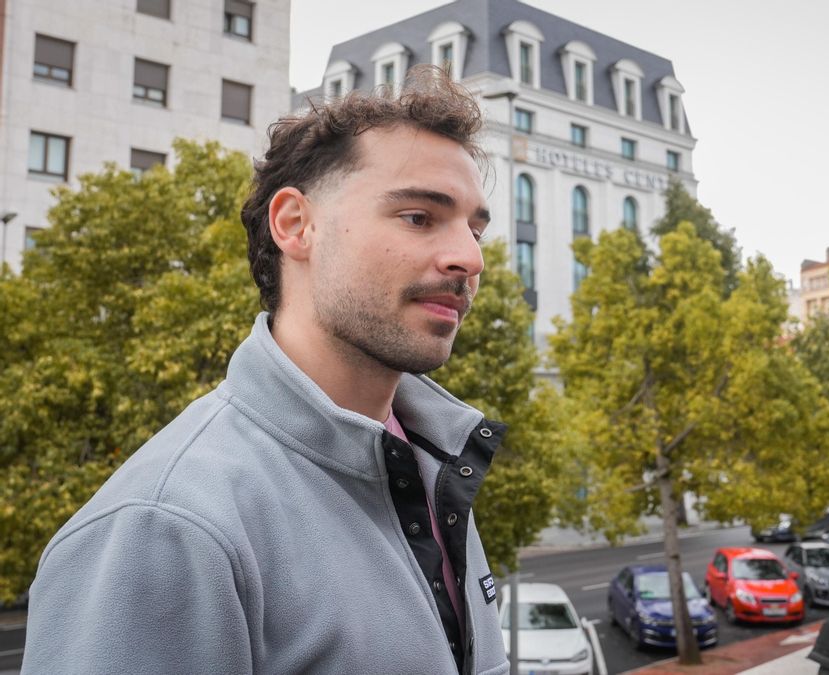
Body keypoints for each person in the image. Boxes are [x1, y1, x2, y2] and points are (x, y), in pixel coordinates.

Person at [22, 66, 509, 675]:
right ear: (295, 225)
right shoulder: (166, 527)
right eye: (418, 217)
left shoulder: (431, 466)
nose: (469, 258)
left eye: (474, 230)